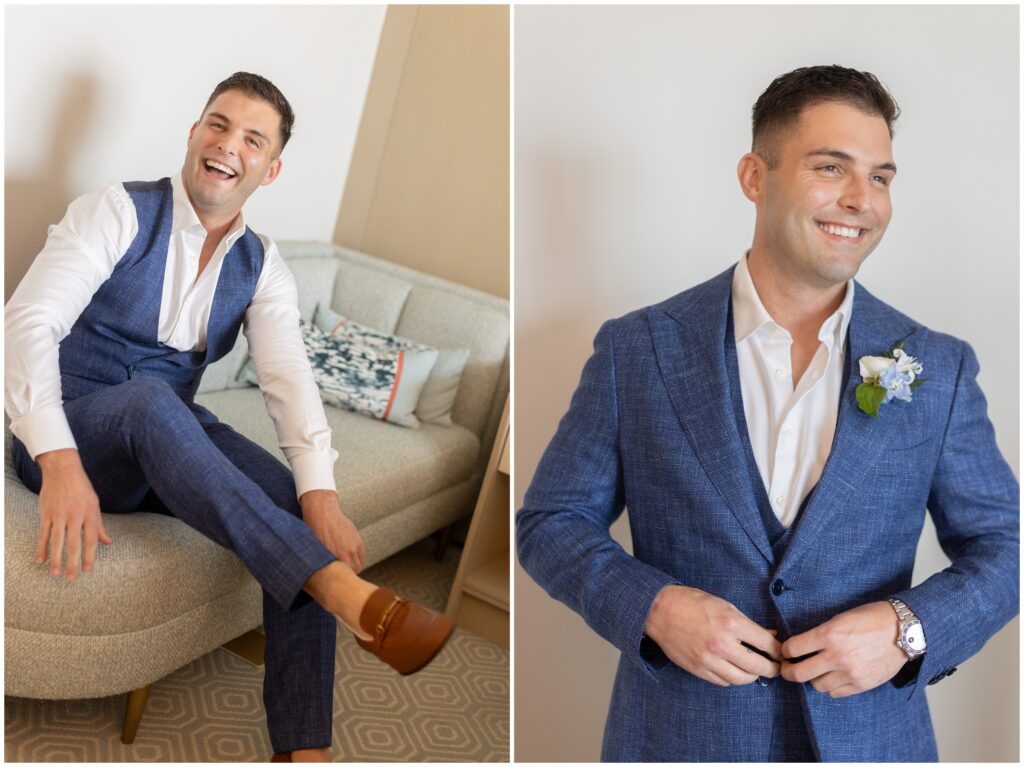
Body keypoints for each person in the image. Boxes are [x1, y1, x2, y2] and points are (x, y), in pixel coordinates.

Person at [516, 65, 1019, 762]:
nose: (861, 200)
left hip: (871, 742)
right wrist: (655, 607)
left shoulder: (938, 366)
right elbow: (550, 522)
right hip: (676, 740)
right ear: (755, 176)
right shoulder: (638, 349)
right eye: (830, 167)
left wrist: (907, 629)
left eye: (880, 177)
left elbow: (1007, 547)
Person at [5, 72, 453, 763]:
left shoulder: (261, 263)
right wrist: (57, 458)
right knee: (153, 399)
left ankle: (305, 751)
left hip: (162, 442)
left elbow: (286, 377)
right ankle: (341, 590)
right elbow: (27, 323)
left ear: (270, 168)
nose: (227, 145)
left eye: (251, 138)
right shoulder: (116, 210)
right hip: (69, 434)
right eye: (217, 124)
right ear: (194, 134)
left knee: (292, 504)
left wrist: (321, 493)